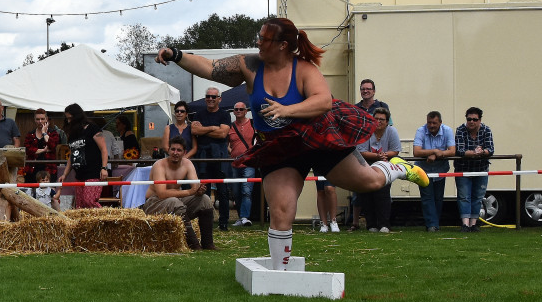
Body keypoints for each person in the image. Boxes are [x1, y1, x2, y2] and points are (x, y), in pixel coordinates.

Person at [156, 17, 429, 270]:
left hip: (317, 138)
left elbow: (323, 101)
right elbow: (210, 68)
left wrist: (287, 110)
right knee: (281, 210)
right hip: (281, 148)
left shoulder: (304, 69)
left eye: (264, 39)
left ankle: (397, 168)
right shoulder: (250, 66)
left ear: (282, 45)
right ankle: (280, 273)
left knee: (370, 182)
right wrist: (176, 54)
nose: (258, 42)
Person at [142, 136, 215, 250]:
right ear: (168, 150)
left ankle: (208, 244)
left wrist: (199, 191)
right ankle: (194, 245)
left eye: (179, 150)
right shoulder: (159, 165)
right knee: (175, 202)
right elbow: (161, 194)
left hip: (175, 201)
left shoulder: (187, 163)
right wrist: (190, 192)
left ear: (184, 152)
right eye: (173, 149)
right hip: (154, 203)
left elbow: (195, 187)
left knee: (205, 200)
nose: (175, 153)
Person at [351, 79, 390, 228]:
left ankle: (382, 223)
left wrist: (383, 154)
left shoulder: (382, 106)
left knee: (382, 192)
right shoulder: (355, 108)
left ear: (374, 91)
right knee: (359, 191)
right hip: (359, 152)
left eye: (368, 89)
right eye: (363, 89)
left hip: (381, 158)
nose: (365, 91)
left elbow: (388, 127)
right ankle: (356, 223)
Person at [191, 86, 231, 230]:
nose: (210, 99)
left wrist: (203, 130)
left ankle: (224, 223)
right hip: (203, 156)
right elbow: (194, 130)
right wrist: (214, 128)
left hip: (220, 156)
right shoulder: (198, 114)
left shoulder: (225, 115)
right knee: (204, 190)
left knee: (223, 191)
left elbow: (223, 134)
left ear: (219, 99)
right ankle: (206, 222)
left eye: (213, 97)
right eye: (208, 96)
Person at [356, 108, 400, 233]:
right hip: (367, 164)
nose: (378, 121)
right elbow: (361, 151)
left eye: (382, 119)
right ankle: (371, 225)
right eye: (376, 119)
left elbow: (395, 150)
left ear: (387, 122)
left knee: (383, 193)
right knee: (367, 194)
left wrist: (384, 155)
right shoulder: (365, 131)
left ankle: (384, 225)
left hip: (385, 164)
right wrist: (377, 156)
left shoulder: (392, 131)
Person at [56, 103, 108, 209]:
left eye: (70, 118)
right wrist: (65, 174)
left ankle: (105, 216)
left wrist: (104, 168)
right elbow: (72, 156)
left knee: (89, 201)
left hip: (93, 173)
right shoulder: (73, 134)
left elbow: (104, 149)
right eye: (67, 119)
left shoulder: (93, 129)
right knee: (80, 205)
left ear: (77, 116)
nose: (69, 121)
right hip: (79, 174)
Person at [413, 111, 456, 232]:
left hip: (440, 170)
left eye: (434, 123)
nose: (431, 125)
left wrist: (436, 155)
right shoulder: (421, 131)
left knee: (438, 198)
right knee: (427, 197)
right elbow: (416, 152)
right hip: (423, 170)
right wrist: (434, 151)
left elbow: (452, 151)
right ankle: (432, 225)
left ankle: (434, 224)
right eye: (429, 123)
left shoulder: (447, 130)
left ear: (440, 123)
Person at [454, 107, 494, 233]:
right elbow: (460, 150)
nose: (471, 122)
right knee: (464, 197)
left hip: (481, 169)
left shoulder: (486, 130)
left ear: (480, 120)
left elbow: (491, 149)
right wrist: (474, 153)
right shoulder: (460, 130)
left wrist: (482, 152)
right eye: (469, 119)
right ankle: (465, 225)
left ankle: (474, 224)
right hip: (463, 169)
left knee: (478, 197)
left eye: (474, 119)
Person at [228, 101, 255, 227]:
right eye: (236, 109)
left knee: (246, 191)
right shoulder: (230, 126)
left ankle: (245, 217)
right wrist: (233, 153)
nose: (238, 111)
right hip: (234, 164)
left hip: (249, 163)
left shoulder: (253, 124)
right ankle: (241, 217)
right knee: (236, 192)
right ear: (233, 112)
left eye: (241, 109)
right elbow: (226, 144)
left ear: (246, 111)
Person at [23, 109, 60, 183]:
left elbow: (52, 146)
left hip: (49, 169)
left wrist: (44, 133)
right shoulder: (30, 134)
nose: (40, 121)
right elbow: (27, 150)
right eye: (37, 119)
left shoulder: (53, 133)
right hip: (32, 169)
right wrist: (43, 150)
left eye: (42, 119)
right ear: (34, 120)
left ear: (46, 119)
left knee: (49, 189)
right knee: (31, 189)